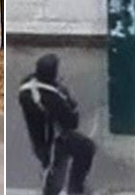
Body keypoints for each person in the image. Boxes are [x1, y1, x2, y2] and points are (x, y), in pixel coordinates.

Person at [18, 53, 95, 195]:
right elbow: (72, 121)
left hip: (41, 139)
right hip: (55, 138)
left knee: (57, 166)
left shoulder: (27, 88)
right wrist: (66, 97)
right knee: (85, 149)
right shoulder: (52, 97)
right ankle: (76, 188)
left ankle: (70, 188)